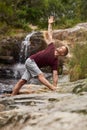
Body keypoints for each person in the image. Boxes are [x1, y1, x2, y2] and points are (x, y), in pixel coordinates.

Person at [11, 16, 68, 96]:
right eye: (61, 46)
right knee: (41, 75)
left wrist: (55, 85)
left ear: (62, 54)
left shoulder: (55, 61)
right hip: (31, 61)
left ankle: (12, 96)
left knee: (22, 81)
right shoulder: (52, 46)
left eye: (62, 48)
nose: (60, 47)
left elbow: (55, 75)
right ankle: (52, 88)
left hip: (33, 66)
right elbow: (50, 34)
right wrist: (49, 24)